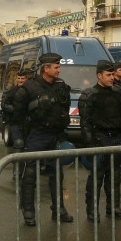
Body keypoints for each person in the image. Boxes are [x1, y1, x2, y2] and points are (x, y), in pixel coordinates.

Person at [13, 53, 74, 226]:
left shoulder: (61, 86)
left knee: (57, 173)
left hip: (54, 135)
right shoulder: (30, 87)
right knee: (30, 173)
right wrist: (23, 136)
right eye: (56, 67)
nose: (59, 70)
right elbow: (18, 114)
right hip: (37, 135)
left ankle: (59, 208)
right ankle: (28, 210)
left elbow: (65, 107)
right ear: (46, 68)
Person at [78, 60, 121, 222]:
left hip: (116, 138)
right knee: (97, 176)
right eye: (108, 75)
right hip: (100, 139)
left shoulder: (118, 93)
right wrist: (90, 143)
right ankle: (92, 210)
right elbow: (85, 122)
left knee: (114, 175)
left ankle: (113, 207)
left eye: (113, 75)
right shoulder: (89, 95)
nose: (112, 78)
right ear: (99, 75)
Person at [2, 69, 33, 149]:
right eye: (18, 78)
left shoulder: (31, 91)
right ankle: (18, 161)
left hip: (29, 122)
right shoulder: (11, 91)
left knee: (30, 145)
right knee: (19, 143)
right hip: (15, 122)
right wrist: (15, 109)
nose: (20, 80)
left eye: (22, 79)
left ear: (26, 79)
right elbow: (4, 104)